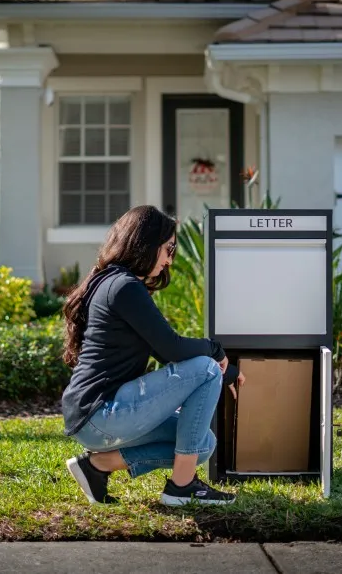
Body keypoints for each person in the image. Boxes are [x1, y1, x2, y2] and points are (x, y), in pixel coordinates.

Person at [60, 205, 245, 506]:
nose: (170, 259)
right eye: (169, 248)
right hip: (101, 413)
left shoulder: (115, 282)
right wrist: (216, 351)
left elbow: (164, 352)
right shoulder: (123, 286)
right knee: (208, 369)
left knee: (202, 445)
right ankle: (181, 488)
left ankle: (97, 466)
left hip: (96, 418)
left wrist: (229, 371)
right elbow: (172, 349)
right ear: (146, 242)